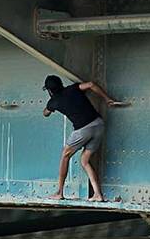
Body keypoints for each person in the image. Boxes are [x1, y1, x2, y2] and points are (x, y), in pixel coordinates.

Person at [41, 74, 119, 202]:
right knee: (85, 160)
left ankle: (59, 192)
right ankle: (98, 194)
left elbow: (45, 113)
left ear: (49, 91)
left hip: (84, 129)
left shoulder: (54, 102)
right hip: (99, 124)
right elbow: (91, 84)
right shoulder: (73, 88)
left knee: (65, 155)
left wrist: (49, 108)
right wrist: (107, 99)